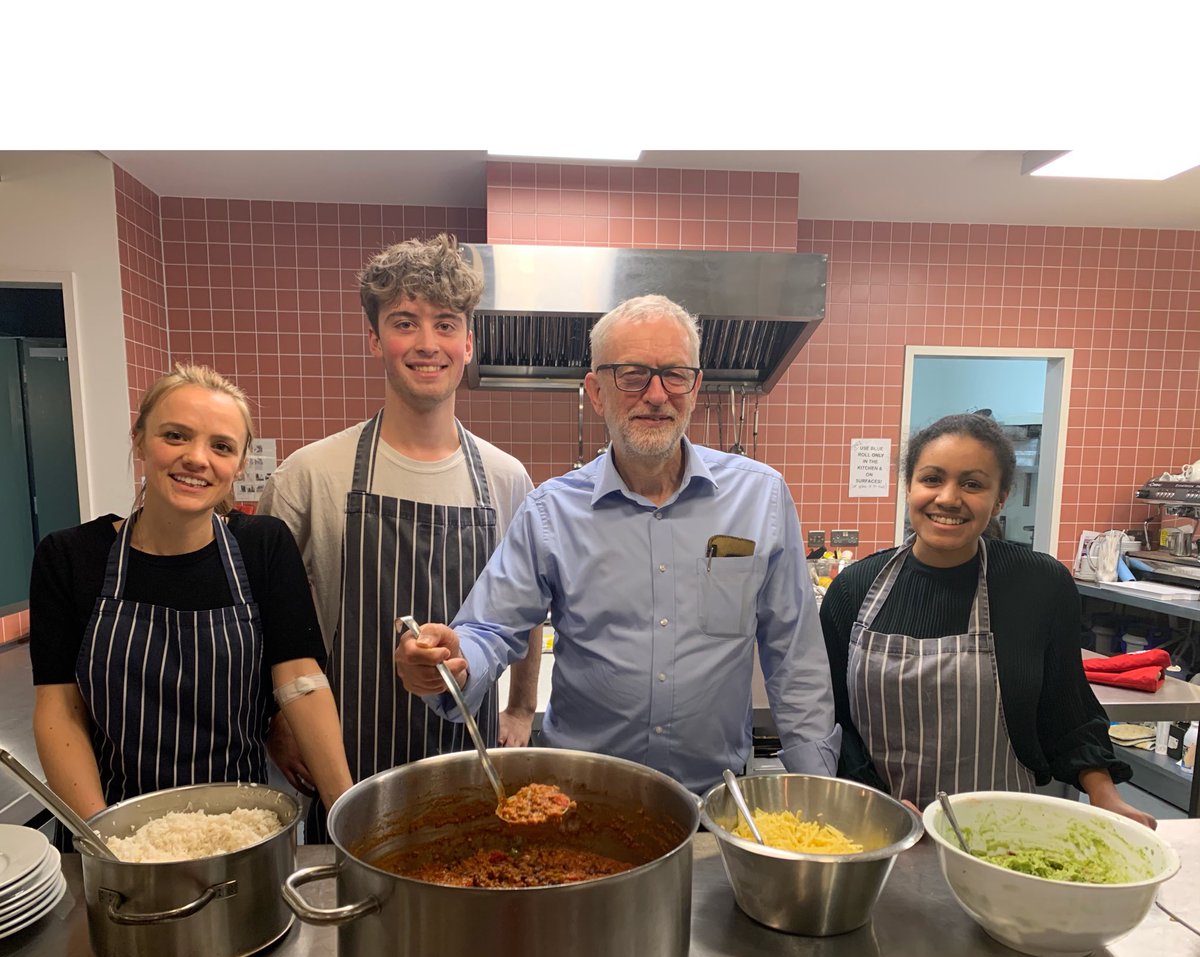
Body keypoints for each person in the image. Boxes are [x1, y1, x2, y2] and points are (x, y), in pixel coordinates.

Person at [395, 293, 841, 797]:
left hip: (714, 803)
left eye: (675, 375)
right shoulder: (551, 512)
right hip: (584, 802)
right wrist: (453, 666)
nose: (656, 395)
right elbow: (489, 629)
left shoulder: (760, 498)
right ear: (597, 392)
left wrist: (819, 793)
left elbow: (795, 658)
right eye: (632, 375)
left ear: (695, 387)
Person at [257, 234, 541, 835]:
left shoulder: (507, 479)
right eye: (404, 322)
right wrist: (275, 722)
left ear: (468, 343)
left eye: (446, 324)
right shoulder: (310, 475)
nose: (427, 343)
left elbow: (528, 607)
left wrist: (520, 706)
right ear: (374, 338)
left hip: (473, 768)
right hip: (347, 771)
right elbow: (259, 616)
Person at [29, 364, 353, 848]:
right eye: (175, 436)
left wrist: (348, 823)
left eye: (221, 446)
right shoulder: (70, 557)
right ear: (140, 441)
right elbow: (60, 710)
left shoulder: (263, 547)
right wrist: (108, 845)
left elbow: (301, 683)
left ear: (239, 465)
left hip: (242, 833)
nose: (197, 459)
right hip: (110, 823)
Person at [819, 410, 1156, 828]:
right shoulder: (853, 589)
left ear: (1000, 499)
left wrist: (1106, 796)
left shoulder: (1040, 585)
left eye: (972, 484)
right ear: (909, 486)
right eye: (932, 479)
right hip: (880, 827)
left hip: (1007, 833)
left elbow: (1067, 710)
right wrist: (876, 802)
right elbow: (835, 722)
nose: (948, 498)